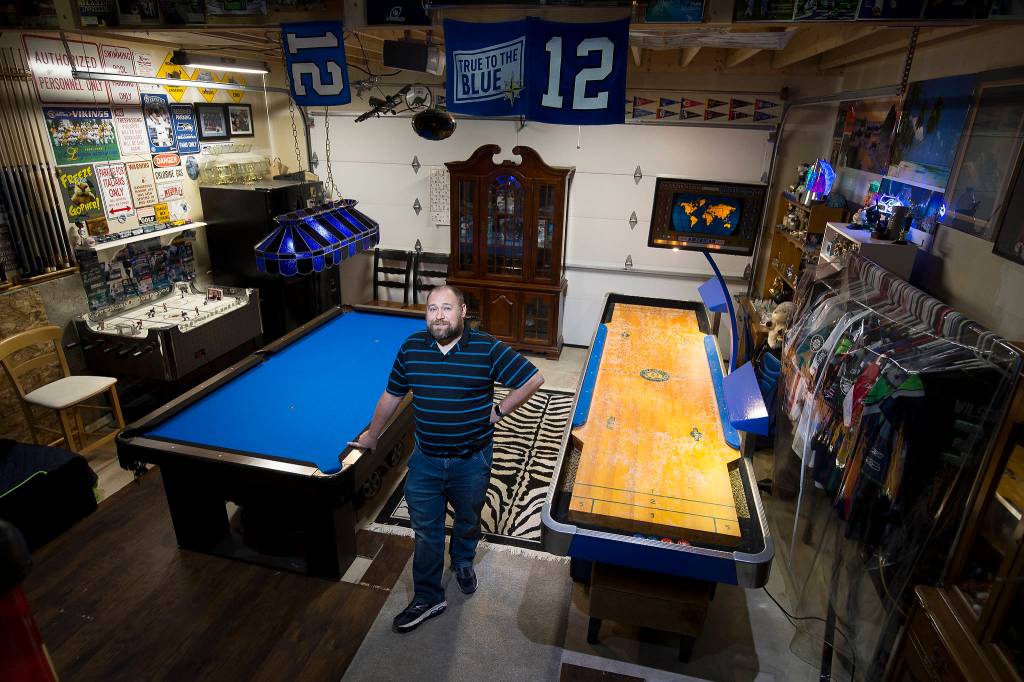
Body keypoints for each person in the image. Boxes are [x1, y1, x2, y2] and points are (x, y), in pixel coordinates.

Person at [356, 285, 544, 633]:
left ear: (463, 311)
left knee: (468, 519)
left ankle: (462, 561)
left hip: (471, 460)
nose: (439, 315)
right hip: (426, 460)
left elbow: (533, 378)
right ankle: (428, 596)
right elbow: (392, 394)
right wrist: (372, 434)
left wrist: (498, 411)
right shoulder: (412, 348)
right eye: (432, 309)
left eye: (446, 308)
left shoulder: (485, 347)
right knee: (426, 532)